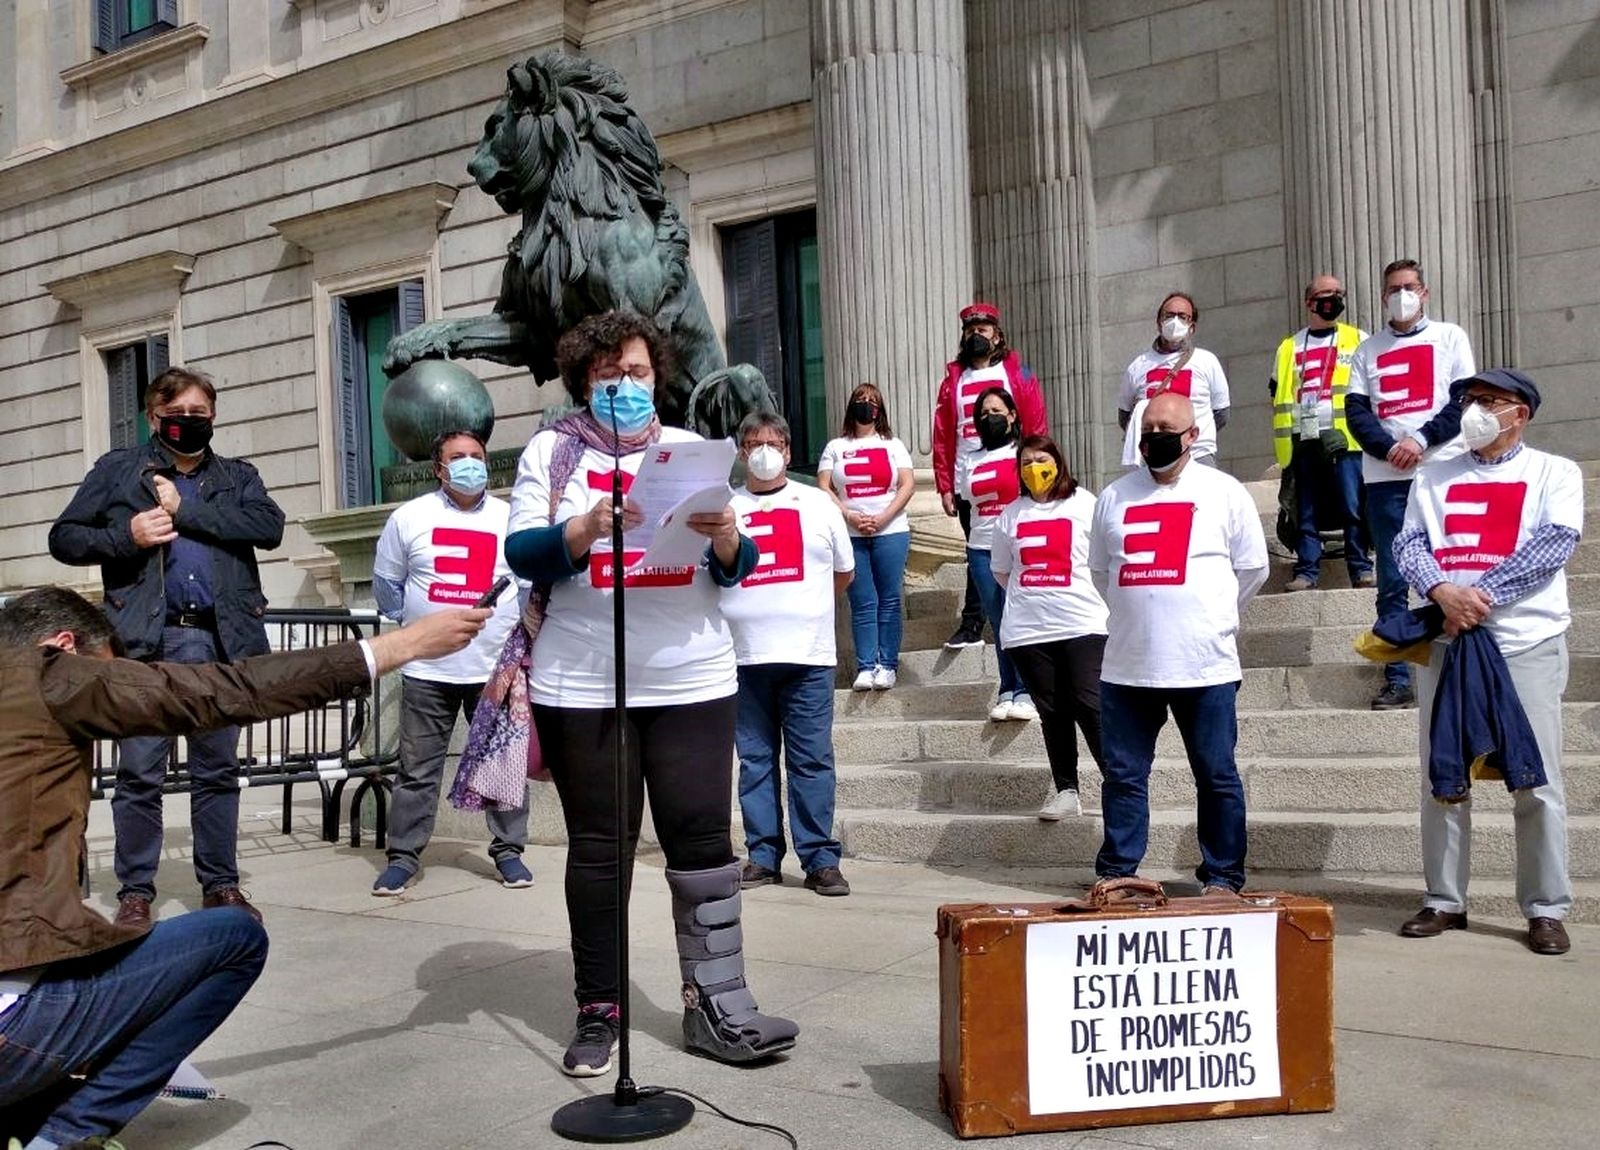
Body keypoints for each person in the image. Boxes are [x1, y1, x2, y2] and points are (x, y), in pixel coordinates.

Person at [0, 586, 487, 1150]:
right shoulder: (49, 674)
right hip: (13, 1031)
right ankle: (62, 1136)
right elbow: (222, 691)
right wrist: (400, 645)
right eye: (108, 672)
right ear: (62, 645)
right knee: (233, 938)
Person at [502, 311, 797, 1078]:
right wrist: (589, 525)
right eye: (608, 377)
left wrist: (729, 538)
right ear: (582, 384)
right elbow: (522, 550)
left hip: (693, 675)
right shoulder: (553, 454)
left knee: (702, 842)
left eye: (636, 373)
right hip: (586, 679)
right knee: (601, 850)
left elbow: (730, 566)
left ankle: (717, 1001)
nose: (626, 387)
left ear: (657, 375)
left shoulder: (691, 452)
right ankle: (599, 1010)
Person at [47, 367, 285, 928]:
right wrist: (123, 537)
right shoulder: (118, 470)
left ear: (214, 417)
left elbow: (268, 526)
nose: (189, 425)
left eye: (199, 416)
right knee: (139, 774)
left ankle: (220, 884)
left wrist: (186, 511)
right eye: (177, 417)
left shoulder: (236, 477)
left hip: (219, 642)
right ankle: (135, 892)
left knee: (218, 770)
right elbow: (64, 537)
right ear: (154, 418)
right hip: (142, 646)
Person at [1392, 370, 1580, 956]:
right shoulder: (1434, 474)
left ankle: (1545, 907)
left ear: (1519, 413)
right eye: (1468, 400)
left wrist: (1478, 598)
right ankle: (1445, 899)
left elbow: (1554, 543)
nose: (1473, 410)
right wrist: (1444, 593)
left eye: (1488, 402)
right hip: (1447, 642)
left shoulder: (1555, 471)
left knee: (1537, 778)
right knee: (1442, 774)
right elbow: (1408, 544)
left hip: (1524, 643)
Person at [1088, 392, 1268, 894]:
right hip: (1128, 666)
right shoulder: (1114, 497)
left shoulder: (1224, 492)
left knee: (1216, 776)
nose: (1155, 438)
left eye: (1167, 428)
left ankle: (1223, 876)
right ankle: (1119, 873)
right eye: (1147, 430)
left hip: (1204, 665)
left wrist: (1213, 618)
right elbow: (1101, 571)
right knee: (1123, 777)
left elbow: (1253, 569)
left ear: (1192, 435)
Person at [369, 429, 528, 896]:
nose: (469, 464)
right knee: (417, 770)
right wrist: (420, 631)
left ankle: (509, 852)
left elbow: (526, 583)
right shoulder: (409, 517)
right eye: (457, 457)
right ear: (438, 468)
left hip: (495, 669)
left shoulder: (511, 518)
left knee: (502, 764)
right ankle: (403, 857)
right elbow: (387, 588)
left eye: (476, 456)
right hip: (428, 670)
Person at [722, 412, 855, 896]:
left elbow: (843, 573)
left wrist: (802, 610)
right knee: (754, 760)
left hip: (808, 658)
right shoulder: (725, 507)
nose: (763, 450)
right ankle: (762, 855)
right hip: (744, 658)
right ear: (741, 451)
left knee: (812, 761)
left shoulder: (819, 503)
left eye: (772, 442)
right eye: (753, 442)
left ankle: (820, 858)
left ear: (788, 452)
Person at [1347, 258, 1475, 710]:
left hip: (1442, 471)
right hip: (1386, 478)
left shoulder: (1450, 337)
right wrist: (1389, 449)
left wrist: (1420, 440)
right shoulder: (1367, 350)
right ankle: (1397, 674)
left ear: (1424, 292)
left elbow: (1463, 401)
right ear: (1383, 296)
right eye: (1393, 288)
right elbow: (1357, 412)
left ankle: (1457, 662)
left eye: (1409, 286)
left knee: (1450, 567)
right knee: (1392, 578)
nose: (1401, 294)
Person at [990, 435, 1109, 821]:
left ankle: (1118, 785)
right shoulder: (1011, 515)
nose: (1033, 469)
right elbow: (1002, 571)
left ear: (1058, 461)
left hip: (1082, 621)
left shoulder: (1085, 504)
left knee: (1090, 705)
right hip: (1029, 629)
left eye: (1041, 459)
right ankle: (1066, 789)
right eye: (1025, 462)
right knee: (1052, 711)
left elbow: (1103, 559)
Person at [931, 302, 1048, 649]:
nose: (976, 335)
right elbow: (942, 434)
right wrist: (944, 485)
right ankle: (972, 623)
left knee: (1017, 546)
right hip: (971, 482)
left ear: (997, 335)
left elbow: (1036, 421)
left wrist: (1038, 468)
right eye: (970, 330)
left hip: (1013, 475)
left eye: (982, 330)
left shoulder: (1018, 372)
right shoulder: (953, 379)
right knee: (977, 551)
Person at [1269, 275, 1375, 591]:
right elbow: (1277, 392)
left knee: (1352, 504)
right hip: (1304, 437)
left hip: (1346, 437)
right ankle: (1306, 570)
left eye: (1337, 293)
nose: (1332, 299)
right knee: (1306, 506)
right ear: (1309, 302)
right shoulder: (1289, 347)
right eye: (1324, 294)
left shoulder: (1358, 339)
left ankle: (1360, 568)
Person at [817, 383, 916, 690]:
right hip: (850, 531)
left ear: (880, 410)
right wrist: (848, 515)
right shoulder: (835, 446)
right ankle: (865, 665)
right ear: (851, 406)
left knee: (888, 598)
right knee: (862, 600)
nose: (866, 405)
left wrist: (884, 517)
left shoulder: (893, 444)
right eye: (861, 400)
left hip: (891, 530)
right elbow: (823, 487)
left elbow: (907, 484)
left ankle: (887, 664)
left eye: (872, 401)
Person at [959, 387, 1036, 722]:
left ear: (1012, 415)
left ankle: (1027, 690)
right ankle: (1008, 688)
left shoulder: (1023, 452)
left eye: (996, 410)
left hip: (1018, 543)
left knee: (1020, 618)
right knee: (999, 621)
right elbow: (966, 503)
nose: (989, 417)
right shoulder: (970, 460)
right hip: (980, 546)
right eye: (983, 413)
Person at [1119, 292, 1231, 466]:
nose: (1175, 321)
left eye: (1183, 317)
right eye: (1169, 315)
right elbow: (1125, 415)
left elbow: (1221, 413)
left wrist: (1188, 436)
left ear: (1192, 326)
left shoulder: (1207, 361)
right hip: (1151, 460)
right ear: (1159, 323)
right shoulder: (1137, 366)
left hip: (1198, 454)